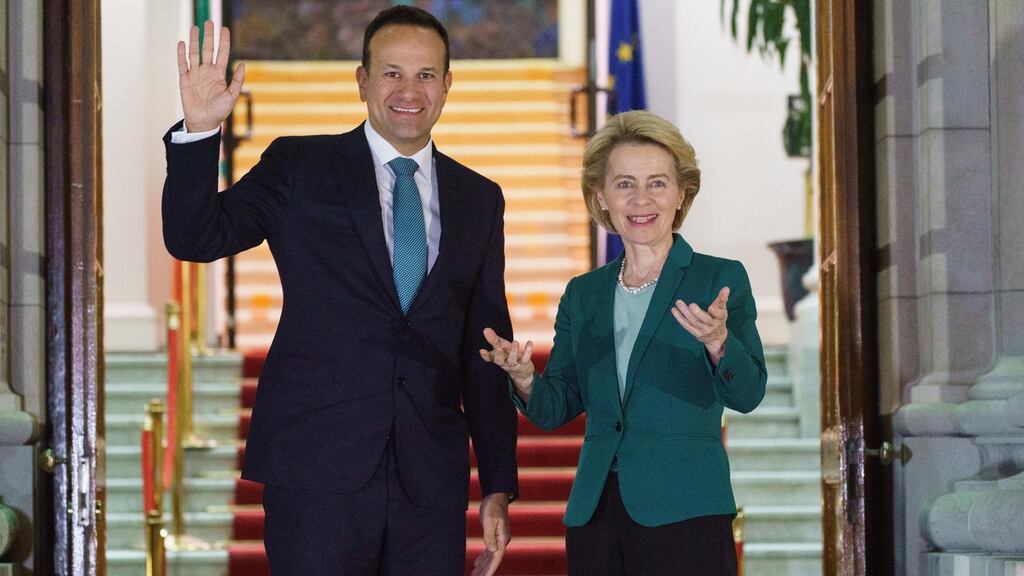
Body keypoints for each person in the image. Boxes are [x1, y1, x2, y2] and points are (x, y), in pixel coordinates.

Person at [163, 7, 518, 575]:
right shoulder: (300, 165)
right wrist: (202, 130)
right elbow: (196, 236)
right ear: (361, 80)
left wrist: (497, 484)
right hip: (315, 470)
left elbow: (486, 350)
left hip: (429, 483)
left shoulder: (479, 198)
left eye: (427, 75)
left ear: (448, 85)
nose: (409, 90)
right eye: (391, 73)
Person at [480, 110, 767, 576]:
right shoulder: (584, 293)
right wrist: (525, 379)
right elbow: (558, 406)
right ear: (601, 197)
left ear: (681, 193)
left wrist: (718, 343)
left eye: (657, 183)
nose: (641, 199)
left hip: (686, 509)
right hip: (596, 515)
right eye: (624, 184)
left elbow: (749, 393)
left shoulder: (718, 278)